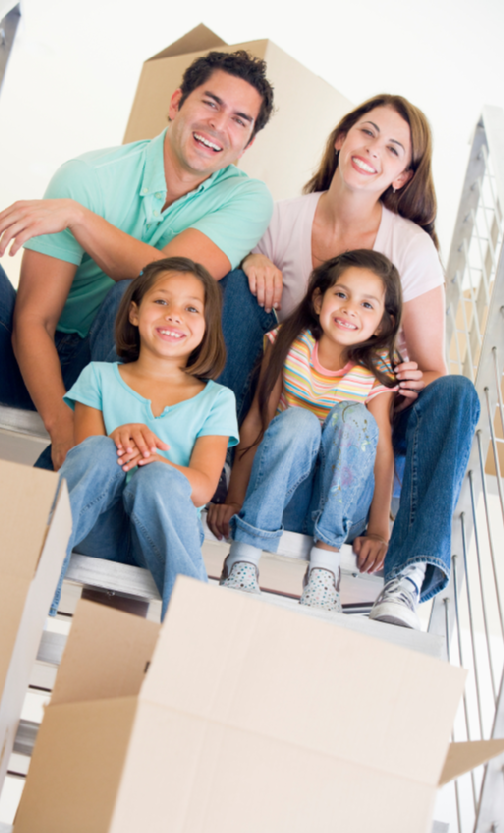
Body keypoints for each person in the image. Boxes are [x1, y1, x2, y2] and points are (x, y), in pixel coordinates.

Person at [211, 94, 480, 628]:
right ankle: (215, 472)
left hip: (369, 406)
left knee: (458, 393)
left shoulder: (411, 248)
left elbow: (432, 369)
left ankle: (406, 573)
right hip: (288, 397)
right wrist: (250, 256)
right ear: (341, 138)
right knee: (235, 286)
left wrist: (405, 379)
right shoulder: (281, 218)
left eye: (392, 148)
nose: (372, 150)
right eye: (366, 132)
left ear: (403, 175)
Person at [0, 50, 273, 470]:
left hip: (121, 374)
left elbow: (164, 280)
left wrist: (78, 218)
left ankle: (149, 473)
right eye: (210, 103)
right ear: (176, 103)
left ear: (247, 143)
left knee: (137, 292)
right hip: (32, 358)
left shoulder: (247, 199)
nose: (219, 125)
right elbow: (34, 321)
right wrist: (63, 426)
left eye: (239, 120)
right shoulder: (88, 176)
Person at [208, 250, 401, 612]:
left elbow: (383, 450)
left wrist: (378, 529)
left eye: (366, 304)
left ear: (382, 324)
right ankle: (243, 558)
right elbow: (255, 422)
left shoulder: (378, 371)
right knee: (298, 421)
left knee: (353, 418)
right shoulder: (289, 344)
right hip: (281, 496)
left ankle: (325, 571)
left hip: (343, 506)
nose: (349, 310)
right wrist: (235, 499)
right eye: (341, 295)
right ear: (318, 299)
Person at [52, 257, 238, 619]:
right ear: (134, 313)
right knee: (100, 449)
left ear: (207, 326)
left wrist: (155, 461)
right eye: (161, 301)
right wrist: (118, 436)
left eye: (190, 308)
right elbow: (85, 459)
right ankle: (35, 582)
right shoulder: (99, 377)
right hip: (96, 526)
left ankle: (189, 628)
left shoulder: (218, 399)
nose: (173, 315)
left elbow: (201, 488)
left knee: (158, 479)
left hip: (161, 534)